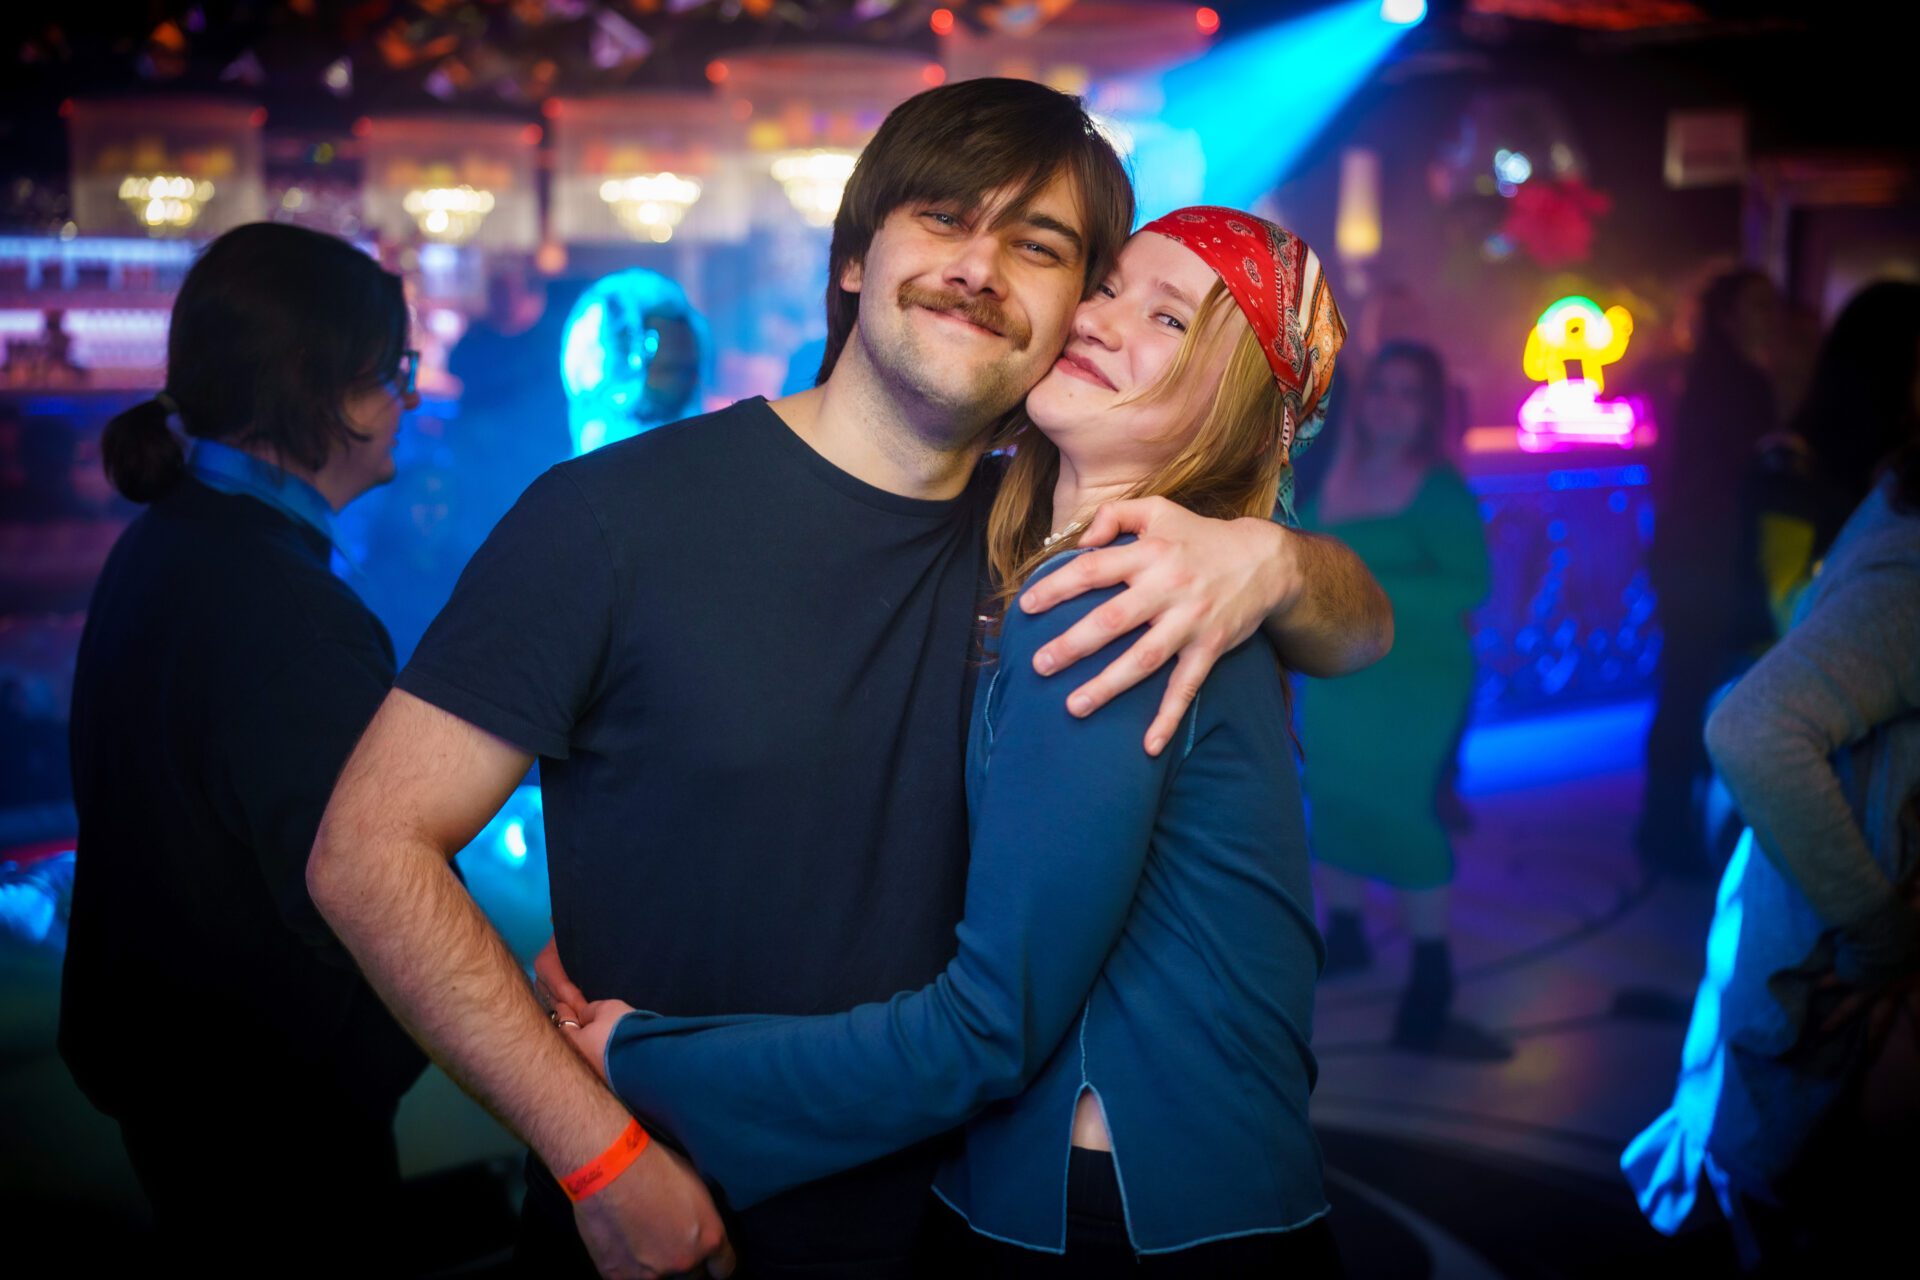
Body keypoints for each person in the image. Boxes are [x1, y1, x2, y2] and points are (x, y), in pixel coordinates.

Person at [308, 80, 1391, 1280]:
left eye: (1039, 247)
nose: (980, 267)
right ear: (853, 257)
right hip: (676, 1226)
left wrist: (1274, 561)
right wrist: (599, 1156)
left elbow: (1362, 630)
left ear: (1065, 310)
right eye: (944, 217)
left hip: (959, 1224)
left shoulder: (1088, 562)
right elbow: (368, 850)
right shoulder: (613, 517)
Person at [544, 206, 1347, 1276]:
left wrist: (638, 1057)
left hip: (1114, 1219)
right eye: (1108, 287)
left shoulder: (1113, 603)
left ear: (1241, 410)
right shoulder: (1049, 555)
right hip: (1157, 1195)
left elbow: (987, 1029)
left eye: (1169, 318)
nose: (1101, 320)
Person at [60, 223, 427, 1267]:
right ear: (315, 391)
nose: (408, 397)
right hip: (271, 1105)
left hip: (184, 1079)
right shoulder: (281, 604)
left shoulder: (173, 538)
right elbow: (363, 897)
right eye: (391, 372)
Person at [1623, 377, 1920, 1268]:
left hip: (1808, 936)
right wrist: (1882, 935)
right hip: (1827, 961)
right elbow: (1750, 727)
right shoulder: (1905, 555)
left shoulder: (1884, 507)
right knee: (1796, 1199)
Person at [1298, 342, 1505, 1059]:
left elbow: (1472, 586)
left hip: (1415, 678)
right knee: (1332, 799)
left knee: (1402, 812)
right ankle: (1347, 935)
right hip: (1338, 671)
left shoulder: (1439, 489)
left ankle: (1431, 976)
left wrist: (1357, 581)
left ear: (1428, 409)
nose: (1390, 403)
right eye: (1381, 388)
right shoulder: (1333, 466)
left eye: (1408, 392)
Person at [1638, 269, 1781, 878]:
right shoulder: (1741, 382)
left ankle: (1666, 824)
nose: (1770, 316)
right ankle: (1677, 830)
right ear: (1729, 315)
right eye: (1759, 305)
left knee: (1685, 690)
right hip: (1716, 560)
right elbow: (1742, 482)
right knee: (1704, 693)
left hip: (1687, 555)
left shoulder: (1693, 376)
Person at [1740, 282, 1920, 638]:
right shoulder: (1789, 463)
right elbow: (1787, 608)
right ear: (1887, 370)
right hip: (1783, 666)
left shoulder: (1887, 469)